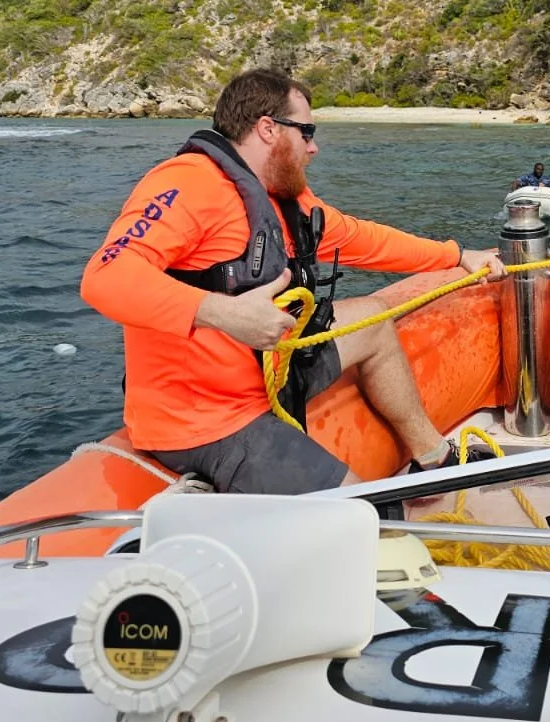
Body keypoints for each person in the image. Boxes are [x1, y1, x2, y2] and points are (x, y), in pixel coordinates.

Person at [80, 68, 506, 494]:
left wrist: (457, 255)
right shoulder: (187, 184)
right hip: (209, 418)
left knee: (374, 319)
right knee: (365, 516)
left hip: (276, 365)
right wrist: (221, 313)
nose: (314, 147)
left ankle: (433, 457)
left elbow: (364, 239)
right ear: (268, 128)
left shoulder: (286, 199)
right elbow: (106, 276)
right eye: (306, 132)